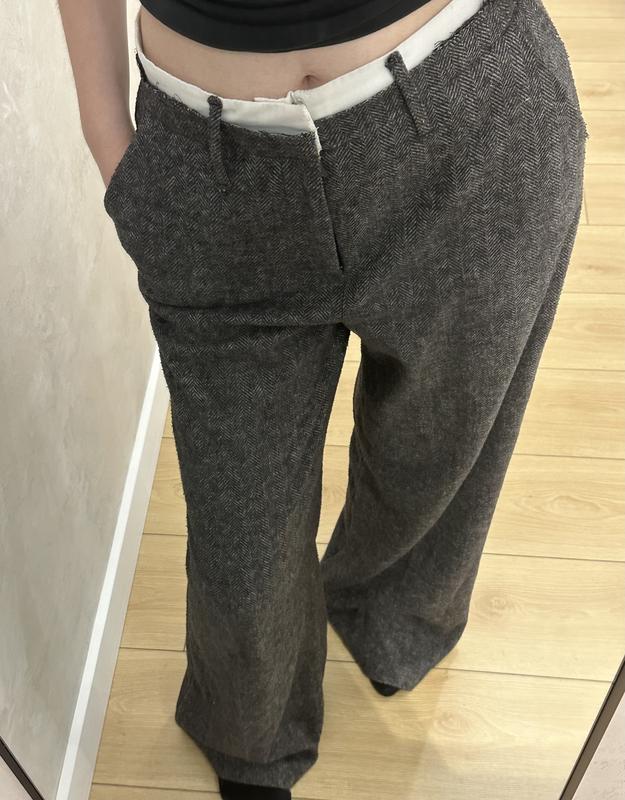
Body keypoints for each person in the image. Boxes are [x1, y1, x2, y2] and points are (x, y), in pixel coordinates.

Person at [57, 0, 588, 798]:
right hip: (207, 165)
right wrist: (108, 139)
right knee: (240, 526)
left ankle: (394, 619)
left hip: (464, 111)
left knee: (441, 445)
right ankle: (252, 733)